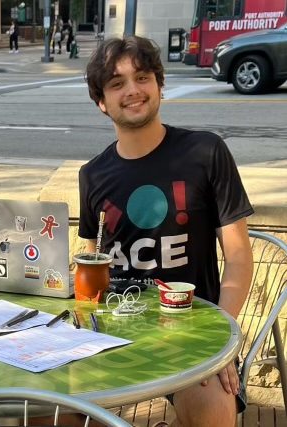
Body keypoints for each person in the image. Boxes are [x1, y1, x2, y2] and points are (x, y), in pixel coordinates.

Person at [79, 36, 253, 427]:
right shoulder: (91, 176)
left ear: (159, 84)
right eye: (117, 83)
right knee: (40, 408)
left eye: (141, 77)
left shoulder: (206, 152)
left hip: (194, 333)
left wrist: (221, 341)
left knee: (212, 413)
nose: (133, 90)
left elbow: (239, 258)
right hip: (112, 332)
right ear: (102, 102)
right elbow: (89, 271)